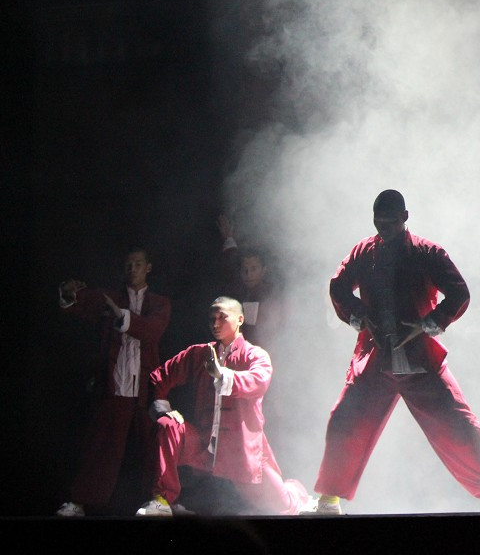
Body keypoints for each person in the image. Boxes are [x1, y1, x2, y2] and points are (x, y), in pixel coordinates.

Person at [305, 190, 480, 514]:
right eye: (379, 223)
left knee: (460, 425)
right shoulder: (364, 251)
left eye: (391, 223)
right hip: (376, 360)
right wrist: (358, 314)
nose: (384, 230)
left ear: (405, 217)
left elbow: (460, 292)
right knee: (345, 420)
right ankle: (329, 501)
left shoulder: (427, 252)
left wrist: (428, 324)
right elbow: (338, 286)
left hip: (421, 360)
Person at [135, 297, 308, 516]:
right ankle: (161, 500)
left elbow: (258, 380)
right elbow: (158, 377)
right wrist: (164, 409)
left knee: (281, 504)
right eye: (212, 319)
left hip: (241, 451)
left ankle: (298, 494)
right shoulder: (201, 354)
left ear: (240, 319)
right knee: (168, 425)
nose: (215, 324)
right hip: (203, 444)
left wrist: (222, 375)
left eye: (222, 317)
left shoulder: (255, 355)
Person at [55, 247, 171, 516]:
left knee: (155, 446)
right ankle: (80, 501)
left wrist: (120, 315)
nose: (132, 269)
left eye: (138, 264)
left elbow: (151, 331)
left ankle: (162, 500)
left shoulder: (159, 302)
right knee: (100, 447)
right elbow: (78, 303)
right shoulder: (112, 297)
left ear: (148, 268)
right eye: (128, 264)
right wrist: (69, 294)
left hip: (147, 388)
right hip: (116, 385)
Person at [217, 214, 279, 348]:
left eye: (254, 269)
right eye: (245, 270)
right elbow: (231, 265)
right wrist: (228, 239)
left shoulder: (270, 294)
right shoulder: (240, 289)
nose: (248, 274)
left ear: (264, 270)